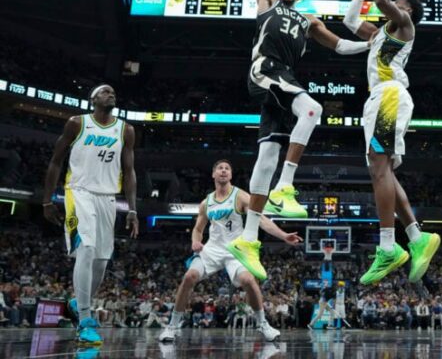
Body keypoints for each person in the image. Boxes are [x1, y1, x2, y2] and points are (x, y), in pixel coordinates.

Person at [227, 0, 371, 282]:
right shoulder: (266, 3)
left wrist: (372, 44)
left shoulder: (309, 21)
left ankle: (248, 239)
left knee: (267, 157)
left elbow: (341, 46)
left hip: (283, 81)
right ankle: (285, 186)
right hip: (265, 70)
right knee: (312, 108)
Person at [340, 0, 439, 285]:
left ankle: (387, 247)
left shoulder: (404, 25)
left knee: (378, 169)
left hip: (390, 95)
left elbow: (383, 1)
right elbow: (349, 21)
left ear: (407, 10)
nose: (393, 3)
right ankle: (416, 237)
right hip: (381, 98)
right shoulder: (380, 34)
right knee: (383, 171)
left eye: (399, 2)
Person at [159, 159, 302, 342]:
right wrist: (195, 241)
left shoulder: (240, 196)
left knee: (248, 280)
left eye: (227, 168)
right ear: (214, 174)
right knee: (189, 277)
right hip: (212, 249)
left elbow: (260, 219)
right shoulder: (206, 203)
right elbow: (197, 229)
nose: (224, 170)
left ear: (231, 175)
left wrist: (283, 235)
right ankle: (172, 326)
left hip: (236, 249)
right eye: (220, 168)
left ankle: (263, 324)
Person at [42, 84, 139, 345]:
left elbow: (129, 170)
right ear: (93, 99)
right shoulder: (77, 123)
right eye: (105, 92)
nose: (111, 94)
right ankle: (85, 320)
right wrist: (47, 200)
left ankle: (78, 302)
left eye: (113, 92)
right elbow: (55, 161)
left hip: (108, 197)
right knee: (86, 248)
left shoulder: (126, 130)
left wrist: (132, 208)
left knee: (101, 261)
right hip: (79, 192)